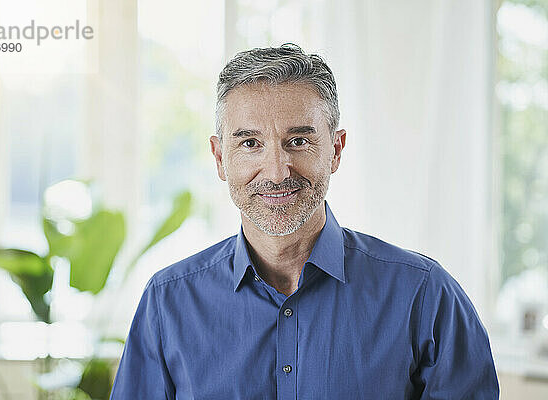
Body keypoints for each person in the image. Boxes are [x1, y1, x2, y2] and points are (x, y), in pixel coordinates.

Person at [110, 44, 499, 399]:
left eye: (298, 141)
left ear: (335, 149)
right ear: (218, 158)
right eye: (250, 143)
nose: (277, 172)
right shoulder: (168, 302)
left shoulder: (425, 295)